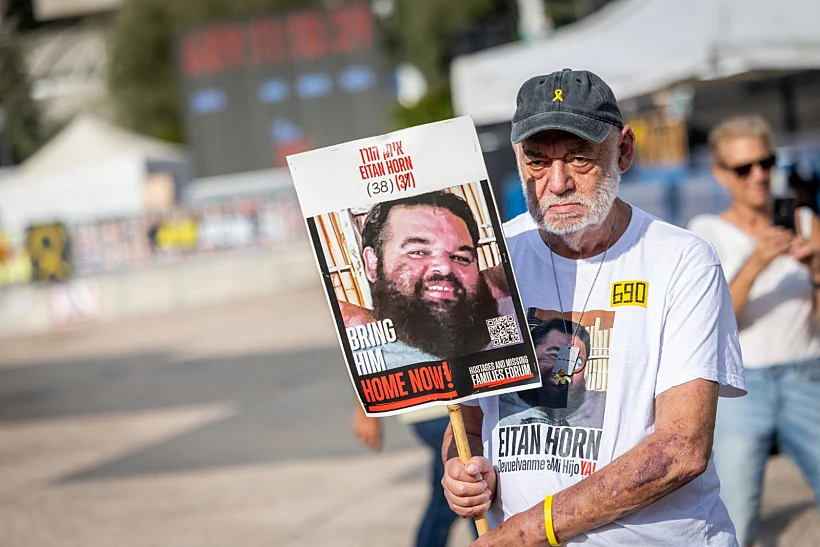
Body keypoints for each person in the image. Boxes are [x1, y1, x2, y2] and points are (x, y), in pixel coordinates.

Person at [440, 68, 746, 546]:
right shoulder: (493, 258)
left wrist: (527, 532)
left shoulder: (681, 260)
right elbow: (473, 418)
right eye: (537, 162)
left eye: (579, 158)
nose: (557, 183)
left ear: (623, 150)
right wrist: (461, 470)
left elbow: (681, 450)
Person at [687, 115, 820, 547]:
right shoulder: (705, 233)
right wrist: (759, 261)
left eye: (766, 162)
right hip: (743, 388)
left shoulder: (803, 220)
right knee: (735, 519)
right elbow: (714, 319)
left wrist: (817, 270)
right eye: (744, 168)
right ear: (721, 174)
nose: (759, 175)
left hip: (807, 375)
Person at [340, 190, 519, 369]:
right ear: (372, 263)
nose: (445, 267)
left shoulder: (505, 323)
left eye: (460, 257)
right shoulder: (354, 358)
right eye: (418, 252)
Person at [352, 404, 478, 547]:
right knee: (470, 493)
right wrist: (365, 410)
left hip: (463, 405)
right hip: (433, 409)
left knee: (461, 494)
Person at [500, 317, 606, 429]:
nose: (564, 372)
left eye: (576, 362)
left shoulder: (605, 408)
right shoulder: (499, 402)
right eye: (555, 355)